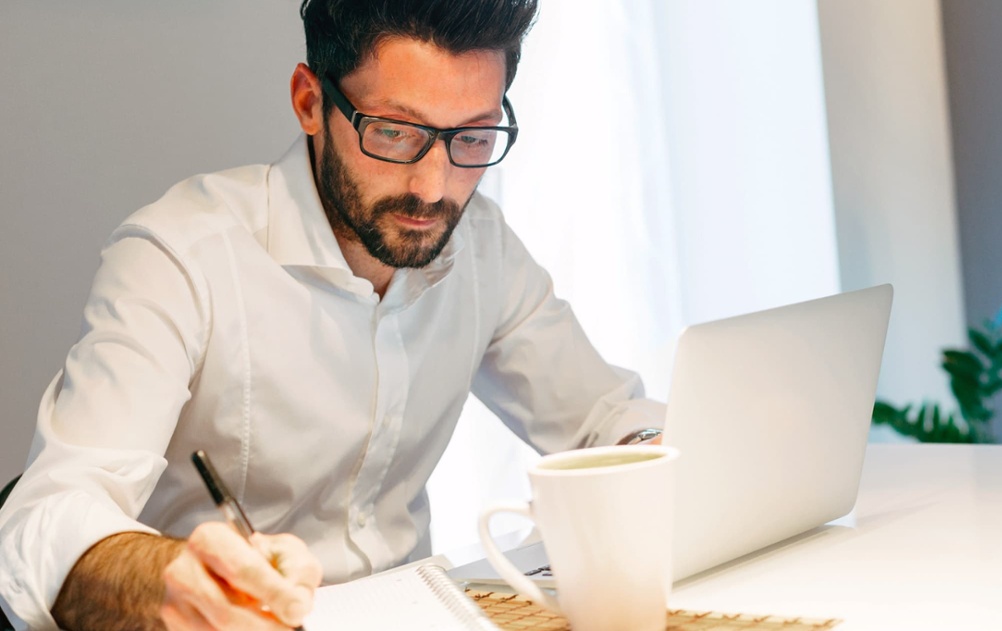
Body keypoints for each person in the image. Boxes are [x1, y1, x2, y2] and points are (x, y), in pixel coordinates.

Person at [0, 1, 664, 629]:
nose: (433, 187)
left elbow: (607, 420)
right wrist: (166, 577)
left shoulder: (481, 247)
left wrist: (661, 456)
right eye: (395, 133)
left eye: (473, 136)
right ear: (310, 102)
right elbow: (44, 517)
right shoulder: (181, 256)